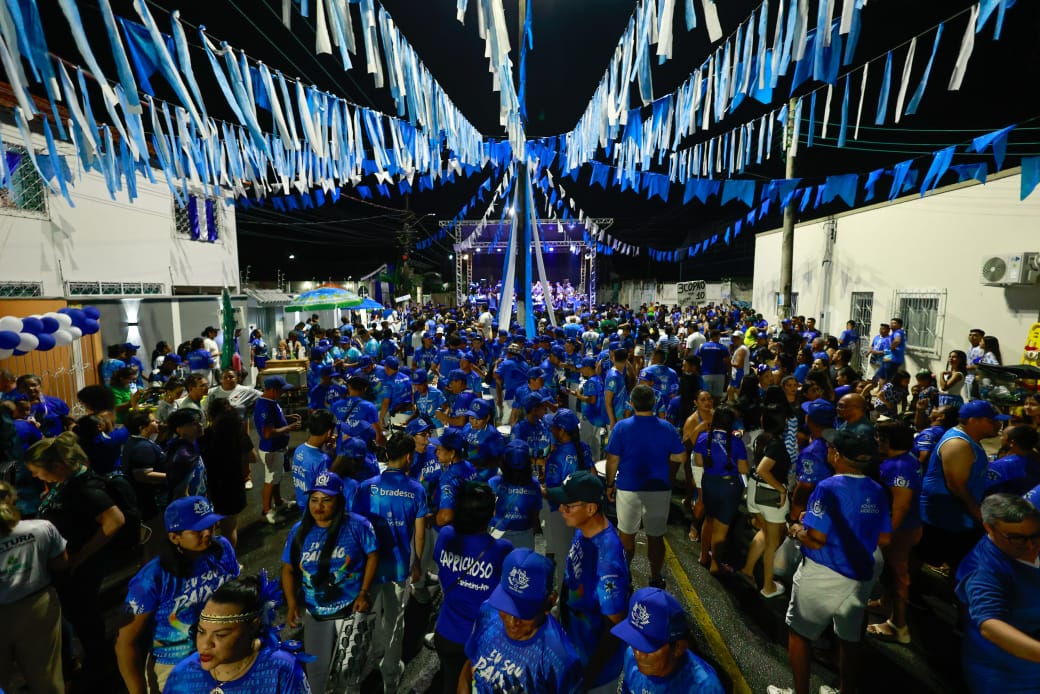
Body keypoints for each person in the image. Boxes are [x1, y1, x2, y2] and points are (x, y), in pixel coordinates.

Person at [771, 430, 891, 694]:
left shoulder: (828, 487)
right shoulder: (877, 489)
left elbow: (814, 540)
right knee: (849, 638)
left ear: (837, 455)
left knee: (800, 634)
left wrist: (796, 530)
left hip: (823, 572)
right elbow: (883, 537)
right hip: (860, 572)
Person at [26, 432, 127, 689]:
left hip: (80, 568)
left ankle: (100, 666)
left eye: (38, 472)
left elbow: (115, 521)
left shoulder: (87, 488)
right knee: (79, 615)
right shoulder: (68, 481)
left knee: (85, 616)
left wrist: (80, 557)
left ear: (58, 466)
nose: (38, 477)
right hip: (69, 565)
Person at [116, 496, 239, 694]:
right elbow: (125, 644)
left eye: (210, 526)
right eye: (198, 530)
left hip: (224, 653)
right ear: (175, 537)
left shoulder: (222, 549)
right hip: (176, 664)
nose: (207, 533)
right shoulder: (151, 578)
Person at [281, 470, 378, 692]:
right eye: (314, 500)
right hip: (316, 613)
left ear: (339, 501)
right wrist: (292, 604)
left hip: (351, 612)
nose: (319, 506)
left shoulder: (358, 526)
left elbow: (373, 554)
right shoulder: (298, 532)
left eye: (327, 500)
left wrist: (364, 591)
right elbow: (287, 569)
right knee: (316, 675)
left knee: (350, 675)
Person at [353, 432, 429, 693]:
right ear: (409, 457)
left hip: (369, 568)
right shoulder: (416, 490)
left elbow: (355, 528)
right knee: (395, 621)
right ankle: (390, 676)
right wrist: (417, 562)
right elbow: (419, 533)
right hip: (398, 564)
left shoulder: (366, 487)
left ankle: (368, 661)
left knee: (366, 616)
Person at [549, 470, 631, 693]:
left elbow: (615, 625)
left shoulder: (607, 562)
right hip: (574, 655)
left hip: (594, 674)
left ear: (591, 508)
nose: (561, 510)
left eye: (568, 506)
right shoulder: (584, 531)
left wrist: (587, 678)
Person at [459, 548, 584, 693]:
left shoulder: (561, 659)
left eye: (524, 613)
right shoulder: (488, 612)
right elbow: (469, 665)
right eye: (505, 607)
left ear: (549, 602)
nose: (511, 622)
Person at [163, 574, 310, 693]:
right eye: (201, 632)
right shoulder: (183, 675)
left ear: (253, 626)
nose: (205, 644)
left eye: (220, 635)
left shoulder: (280, 670)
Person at [433, 481, 514, 694]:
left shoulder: (446, 536)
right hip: (482, 639)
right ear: (491, 513)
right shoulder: (502, 550)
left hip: (447, 632)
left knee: (450, 682)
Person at [953, 493, 1040, 693]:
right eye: (1017, 538)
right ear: (989, 528)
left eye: (1035, 535)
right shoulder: (983, 569)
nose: (1030, 546)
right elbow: (991, 626)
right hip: (1009, 677)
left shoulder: (1028, 545)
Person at [605, 384, 685, 587]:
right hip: (658, 488)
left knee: (626, 535)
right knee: (656, 537)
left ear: (631, 404)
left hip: (628, 487)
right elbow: (680, 455)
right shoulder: (666, 427)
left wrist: (609, 484)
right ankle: (656, 577)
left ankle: (625, 575)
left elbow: (612, 460)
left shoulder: (621, 427)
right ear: (654, 403)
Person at [920, 400, 1009, 577]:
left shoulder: (969, 440)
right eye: (992, 421)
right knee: (942, 560)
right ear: (973, 420)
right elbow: (956, 485)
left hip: (956, 516)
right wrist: (977, 512)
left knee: (958, 564)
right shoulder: (958, 444)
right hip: (946, 517)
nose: (999, 425)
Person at [0, 480, 68, 694]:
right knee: (47, 679)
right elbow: (61, 563)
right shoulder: (41, 528)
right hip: (39, 607)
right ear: (13, 498)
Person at [865, 420, 922, 646]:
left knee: (899, 578)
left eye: (880, 438)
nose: (877, 441)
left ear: (890, 441)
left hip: (901, 530)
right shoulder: (906, 459)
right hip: (907, 526)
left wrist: (886, 535)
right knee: (890, 573)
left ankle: (898, 626)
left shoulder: (898, 467)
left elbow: (900, 506)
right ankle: (885, 601)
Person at [612, 587, 725, 694]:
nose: (638, 654)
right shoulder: (630, 655)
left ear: (679, 647)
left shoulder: (706, 688)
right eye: (635, 641)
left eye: (649, 648)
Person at [742, 405, 793, 598]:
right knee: (773, 542)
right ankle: (768, 586)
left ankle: (747, 570)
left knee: (764, 532)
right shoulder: (777, 445)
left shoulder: (761, 438)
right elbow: (764, 469)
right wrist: (781, 489)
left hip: (754, 491)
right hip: (770, 495)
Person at [693, 405, 748, 575]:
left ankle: (703, 556)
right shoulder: (736, 442)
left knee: (709, 520)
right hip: (728, 487)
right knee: (721, 527)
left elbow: (700, 463)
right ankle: (715, 564)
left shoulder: (703, 438)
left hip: (709, 483)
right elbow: (744, 469)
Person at [200, 399, 253, 547]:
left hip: (210, 486)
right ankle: (230, 562)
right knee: (229, 530)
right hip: (232, 485)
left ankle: (214, 561)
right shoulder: (238, 434)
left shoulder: (206, 435)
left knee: (209, 527)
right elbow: (252, 457)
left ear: (211, 414)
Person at [255, 376, 302, 524]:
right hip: (272, 449)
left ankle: (279, 501)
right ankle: (267, 510)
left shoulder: (270, 402)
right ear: (273, 389)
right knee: (270, 480)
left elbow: (274, 419)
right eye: (281, 390)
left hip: (277, 448)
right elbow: (268, 433)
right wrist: (289, 427)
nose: (283, 392)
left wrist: (285, 417)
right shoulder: (265, 406)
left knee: (276, 478)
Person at [489, 439, 543, 550]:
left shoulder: (494, 483)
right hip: (524, 537)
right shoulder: (534, 484)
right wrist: (539, 540)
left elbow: (488, 512)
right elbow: (535, 515)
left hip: (497, 536)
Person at [290, 409, 336, 510]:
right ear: (329, 432)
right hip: (316, 509)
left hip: (303, 502)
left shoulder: (299, 449)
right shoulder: (322, 460)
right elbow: (327, 490)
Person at [163, 408, 209, 499]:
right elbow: (181, 493)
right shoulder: (182, 456)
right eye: (194, 423)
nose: (200, 425)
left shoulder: (191, 444)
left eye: (200, 421)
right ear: (179, 429)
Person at [984, 426, 1040, 496]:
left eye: (1004, 436)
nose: (1001, 438)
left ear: (1012, 442)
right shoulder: (1036, 461)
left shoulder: (999, 466)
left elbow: (987, 489)